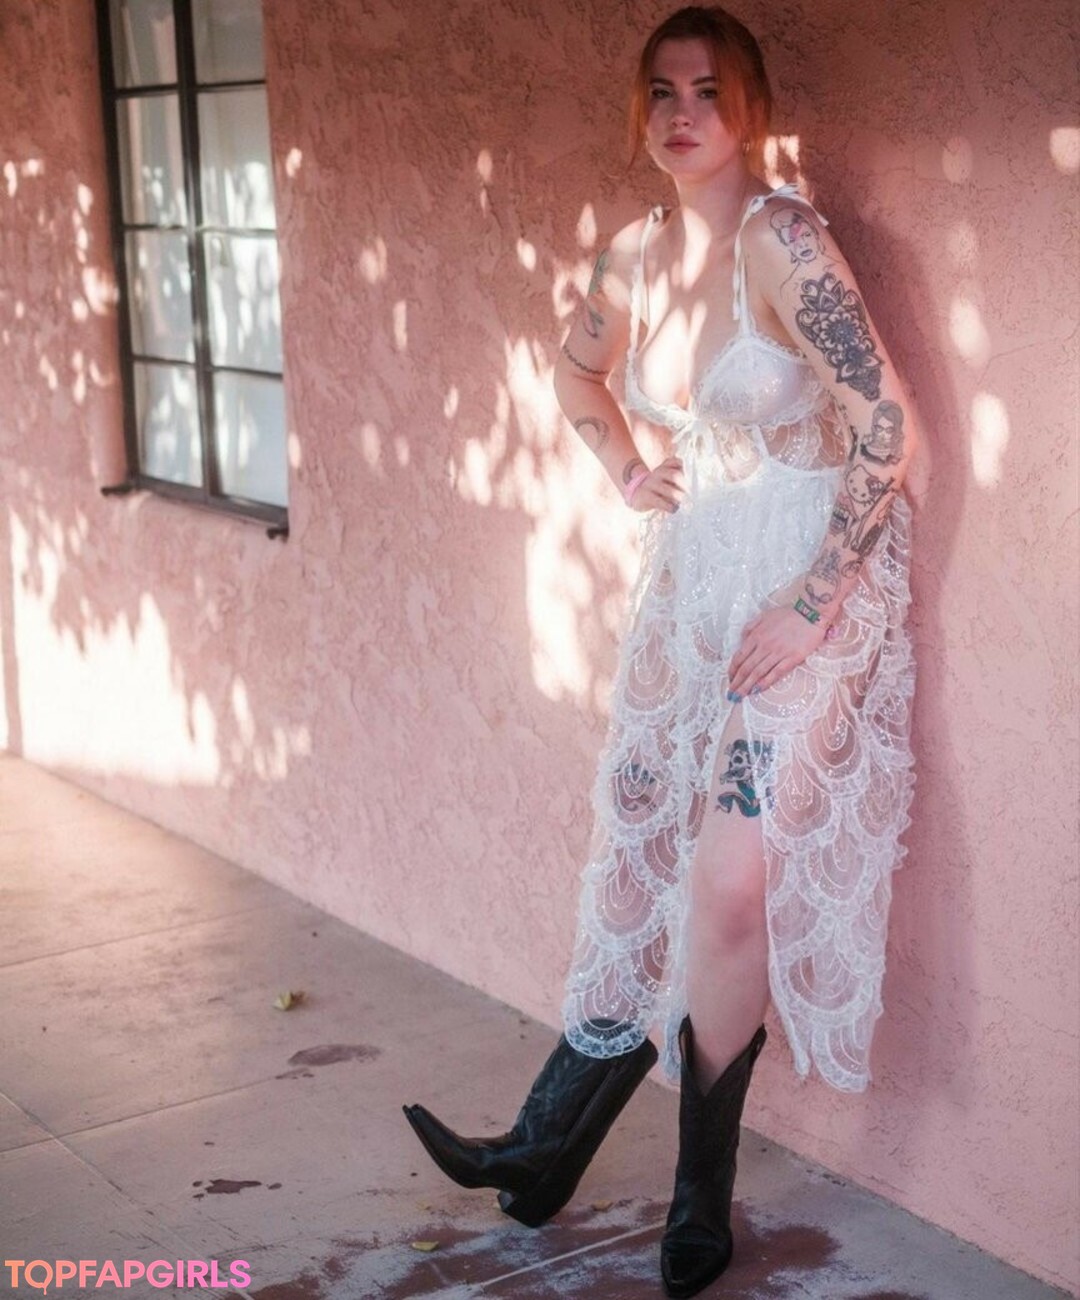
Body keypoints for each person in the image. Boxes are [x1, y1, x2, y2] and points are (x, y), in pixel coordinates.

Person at [404, 6, 917, 1297]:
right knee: (638, 837)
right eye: (660, 92)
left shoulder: (783, 241)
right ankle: (545, 1147)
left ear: (747, 107)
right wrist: (631, 472)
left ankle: (700, 1195)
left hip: (806, 581)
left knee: (731, 881)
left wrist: (813, 602)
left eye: (707, 90)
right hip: (697, 577)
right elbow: (575, 376)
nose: (681, 114)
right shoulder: (633, 254)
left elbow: (887, 426)